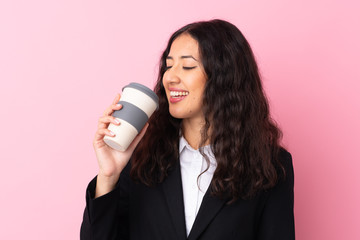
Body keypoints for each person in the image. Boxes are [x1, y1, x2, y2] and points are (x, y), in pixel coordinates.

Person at [80, 19, 295, 240]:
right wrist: (108, 176)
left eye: (188, 66)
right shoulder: (140, 159)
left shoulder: (270, 165)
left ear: (224, 77)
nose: (170, 77)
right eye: (168, 65)